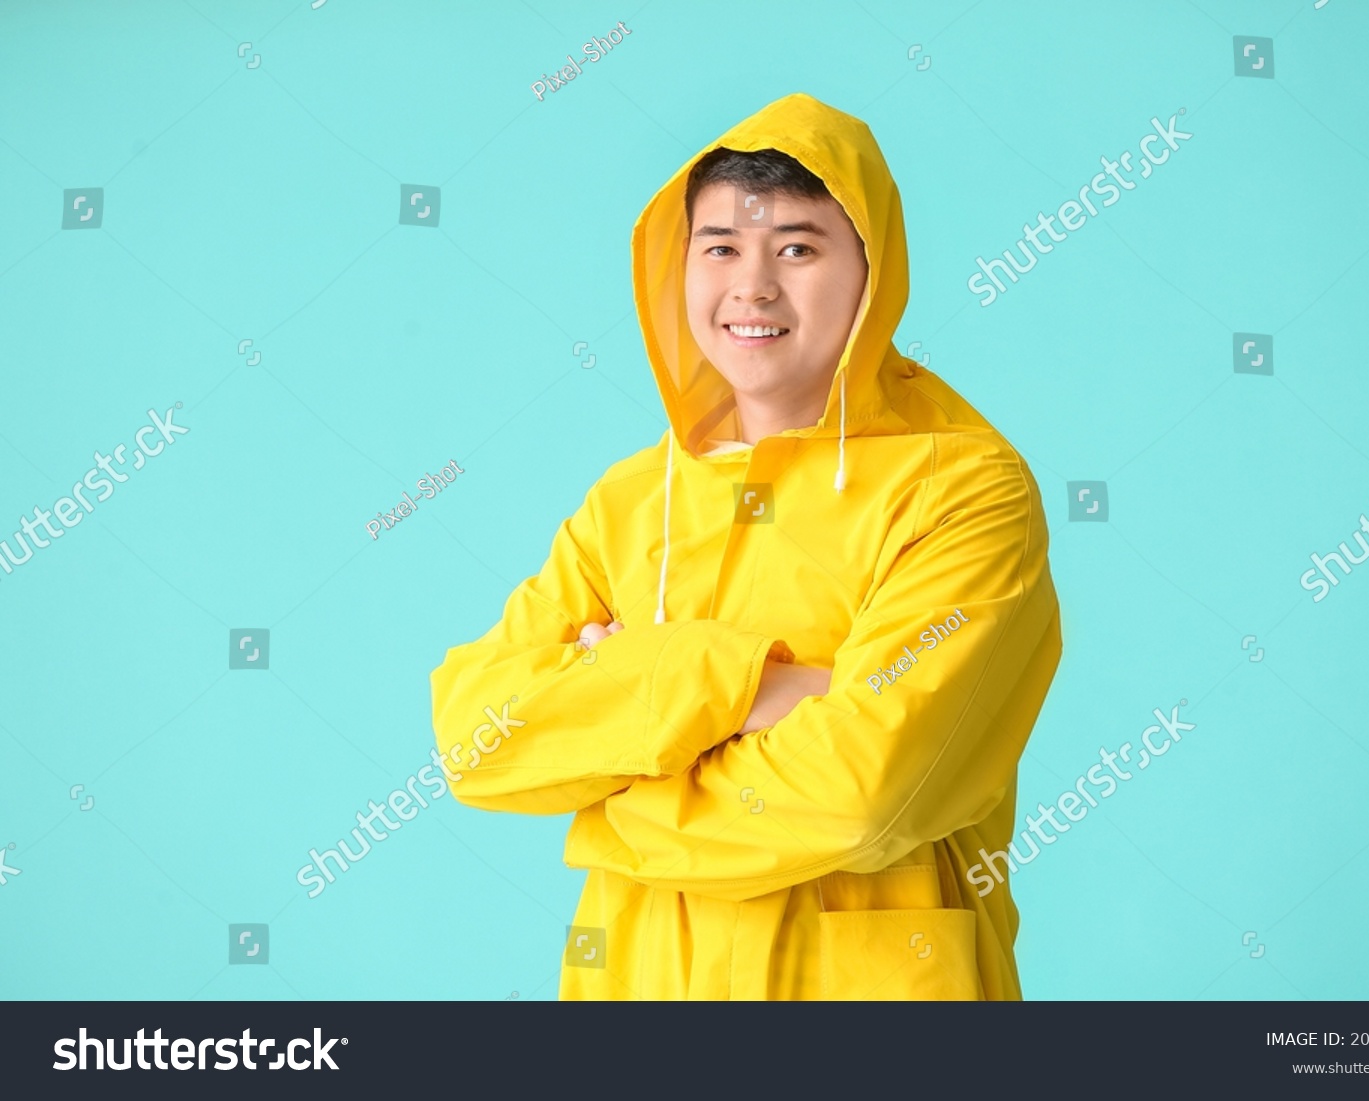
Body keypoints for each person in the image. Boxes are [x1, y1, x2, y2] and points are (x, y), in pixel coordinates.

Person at [429, 91, 1063, 1000]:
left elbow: (862, 793)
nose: (752, 287)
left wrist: (615, 757)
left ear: (872, 273)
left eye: (797, 249)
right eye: (720, 247)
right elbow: (478, 738)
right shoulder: (631, 501)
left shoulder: (964, 491)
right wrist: (759, 687)